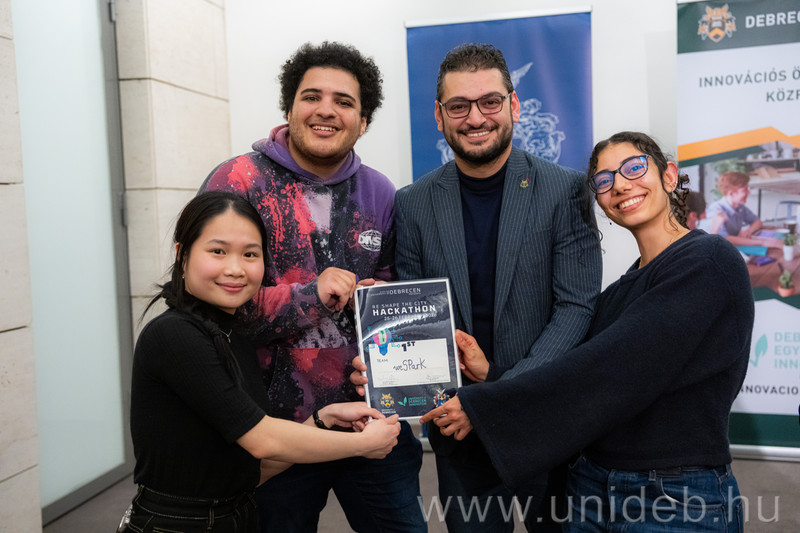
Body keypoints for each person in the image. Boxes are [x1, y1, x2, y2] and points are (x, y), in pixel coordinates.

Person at [421, 131, 754, 532]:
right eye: (604, 180)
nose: (621, 185)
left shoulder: (708, 262)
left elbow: (613, 368)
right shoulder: (620, 292)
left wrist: (483, 406)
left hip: (673, 495)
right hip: (591, 488)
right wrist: (490, 372)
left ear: (669, 175)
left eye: (634, 168)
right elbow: (577, 367)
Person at [355, 43, 602, 532]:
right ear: (439, 115)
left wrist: (494, 402)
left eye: (489, 102)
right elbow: (415, 319)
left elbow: (576, 309)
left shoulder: (566, 190)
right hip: (457, 426)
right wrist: (381, 327)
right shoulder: (413, 203)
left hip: (545, 418)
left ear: (513, 105)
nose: (475, 118)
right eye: (458, 106)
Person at [199, 42, 425, 532]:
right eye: (312, 96)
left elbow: (393, 295)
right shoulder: (239, 180)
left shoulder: (380, 191)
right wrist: (311, 296)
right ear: (289, 107)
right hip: (274, 431)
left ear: (363, 121)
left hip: (368, 422)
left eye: (344, 101)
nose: (326, 110)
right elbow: (210, 307)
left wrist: (379, 320)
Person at [124, 191, 400, 533]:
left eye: (250, 254)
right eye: (218, 251)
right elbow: (262, 439)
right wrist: (362, 444)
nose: (235, 269)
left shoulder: (232, 333)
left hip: (236, 516)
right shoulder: (174, 334)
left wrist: (324, 418)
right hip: (177, 524)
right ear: (182, 254)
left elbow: (253, 467)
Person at [706, 171, 782, 247]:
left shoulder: (739, 207)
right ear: (731, 193)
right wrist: (763, 242)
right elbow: (726, 239)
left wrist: (749, 231)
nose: (748, 192)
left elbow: (757, 222)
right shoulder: (716, 211)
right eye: (745, 190)